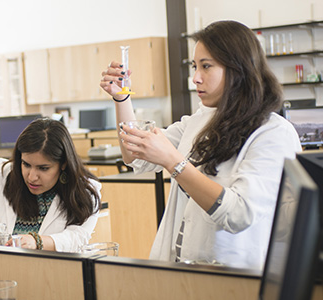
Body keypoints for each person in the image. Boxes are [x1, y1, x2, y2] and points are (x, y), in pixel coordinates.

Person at [100, 20, 301, 270]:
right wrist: (121, 98)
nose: (195, 78)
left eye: (206, 66)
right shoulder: (198, 121)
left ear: (239, 69)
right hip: (179, 268)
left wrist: (174, 163)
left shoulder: (273, 133)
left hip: (233, 278)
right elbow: (135, 155)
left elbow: (239, 213)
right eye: (195, 66)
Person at [0, 118, 102, 251]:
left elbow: (77, 237)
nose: (32, 176)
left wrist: (37, 242)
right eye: (26, 164)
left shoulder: (86, 191)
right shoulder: (0, 173)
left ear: (63, 164)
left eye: (43, 168)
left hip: (51, 278)